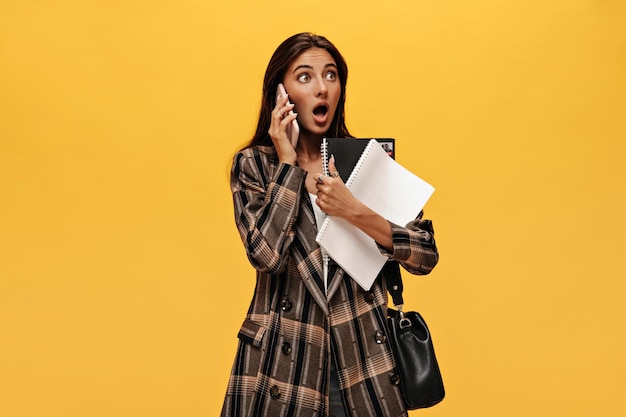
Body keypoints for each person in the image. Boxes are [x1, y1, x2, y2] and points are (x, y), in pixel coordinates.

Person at [221, 32, 439, 417]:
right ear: (280, 94)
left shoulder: (368, 161)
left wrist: (354, 210)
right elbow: (264, 255)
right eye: (305, 77)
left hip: (360, 364)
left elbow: (424, 255)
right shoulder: (255, 165)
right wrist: (287, 167)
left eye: (331, 75)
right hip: (281, 367)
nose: (322, 88)